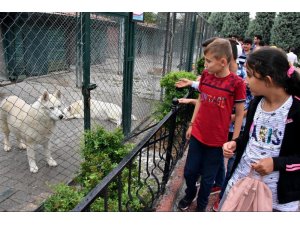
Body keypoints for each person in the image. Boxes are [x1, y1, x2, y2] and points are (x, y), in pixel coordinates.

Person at [220, 47, 300, 212]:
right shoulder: (257, 102)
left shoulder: (296, 109)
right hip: (240, 184)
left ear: (268, 80)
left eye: (249, 75)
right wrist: (236, 144)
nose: (245, 81)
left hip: (276, 201)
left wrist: (276, 163)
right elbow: (250, 137)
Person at [178, 38, 246, 211]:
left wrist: (234, 141)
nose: (205, 65)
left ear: (223, 62)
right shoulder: (206, 76)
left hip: (217, 141)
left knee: (208, 180)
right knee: (190, 171)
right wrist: (192, 124)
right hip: (198, 134)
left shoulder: (236, 83)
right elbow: (201, 99)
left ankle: (201, 208)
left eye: (209, 61)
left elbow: (239, 115)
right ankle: (190, 193)